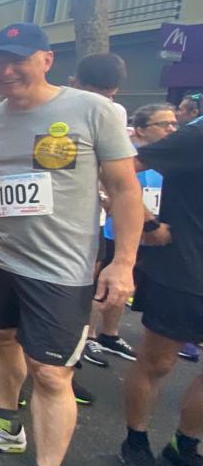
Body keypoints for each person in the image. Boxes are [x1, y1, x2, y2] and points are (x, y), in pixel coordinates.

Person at [0, 22, 141, 466]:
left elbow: (124, 189)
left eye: (18, 59)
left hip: (60, 270)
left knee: (52, 374)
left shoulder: (93, 110)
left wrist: (123, 262)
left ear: (46, 59)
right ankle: (6, 424)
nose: (6, 70)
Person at [119, 108, 203, 466]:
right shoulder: (194, 136)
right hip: (185, 269)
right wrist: (148, 223)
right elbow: (121, 171)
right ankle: (135, 443)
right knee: (158, 363)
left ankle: (183, 448)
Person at [70, 53, 136, 370]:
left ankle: (83, 343)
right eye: (92, 93)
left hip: (90, 221)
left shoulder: (113, 113)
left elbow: (122, 181)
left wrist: (125, 261)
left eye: (107, 96)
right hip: (51, 221)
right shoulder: (53, 110)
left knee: (86, 284)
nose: (100, 103)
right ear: (74, 84)